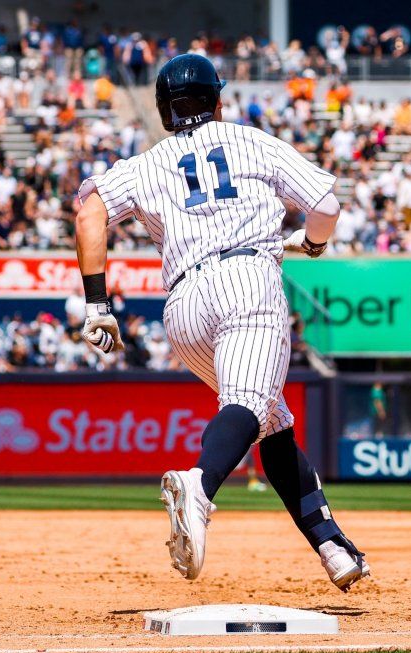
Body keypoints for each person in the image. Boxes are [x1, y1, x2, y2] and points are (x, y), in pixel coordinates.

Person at [73, 54, 369, 591]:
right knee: (251, 408)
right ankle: (200, 487)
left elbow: (89, 209)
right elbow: (326, 203)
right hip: (246, 280)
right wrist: (315, 243)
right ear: (217, 99)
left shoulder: (146, 163)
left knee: (269, 419)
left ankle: (331, 546)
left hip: (184, 309)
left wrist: (97, 306)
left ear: (163, 109)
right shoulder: (252, 141)